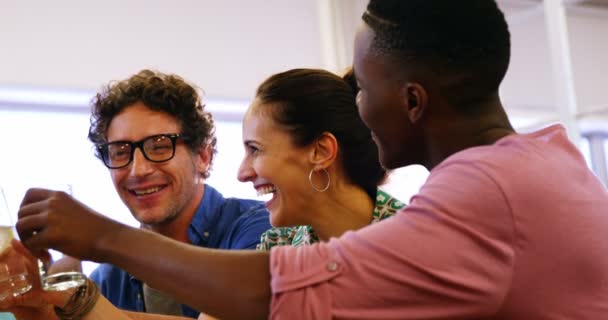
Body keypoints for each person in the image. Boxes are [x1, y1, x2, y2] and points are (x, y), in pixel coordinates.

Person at [10, 0, 608, 319]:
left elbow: (270, 297)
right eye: (120, 152)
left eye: (365, 90)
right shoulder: (548, 160)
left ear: (413, 101)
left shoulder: (480, 196)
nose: (359, 110)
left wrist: (101, 236)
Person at [58, 70, 272, 318]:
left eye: (159, 147)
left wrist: (81, 303)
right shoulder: (108, 280)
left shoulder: (259, 228)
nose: (138, 170)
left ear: (203, 156)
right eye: (120, 152)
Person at [239, 69, 405, 251]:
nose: (242, 174)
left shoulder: (417, 239)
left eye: (255, 149)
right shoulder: (277, 246)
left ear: (321, 152)